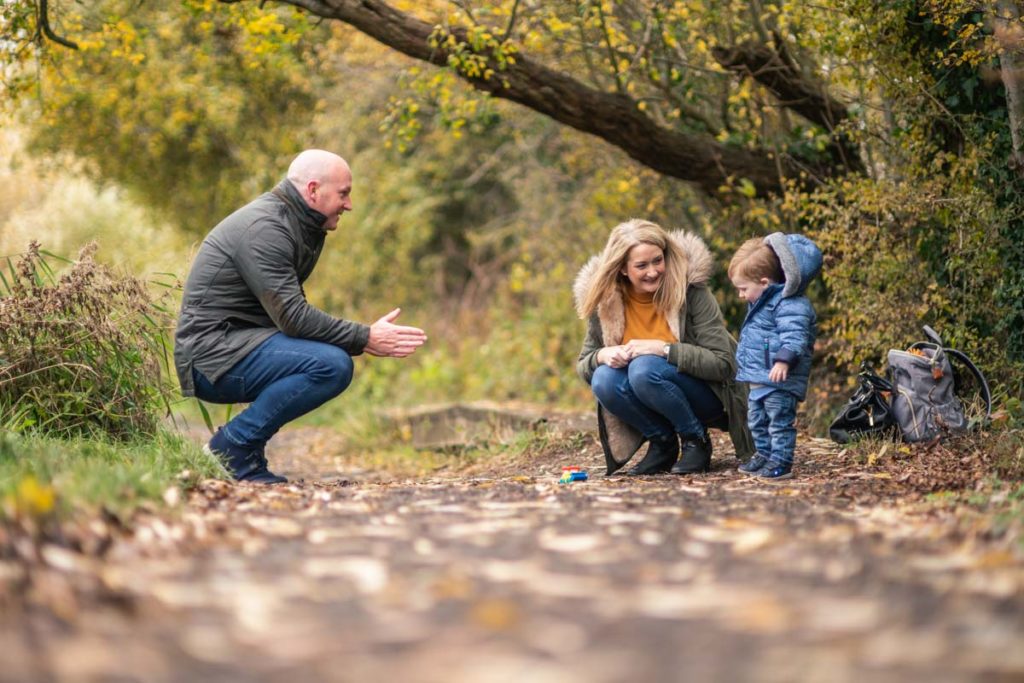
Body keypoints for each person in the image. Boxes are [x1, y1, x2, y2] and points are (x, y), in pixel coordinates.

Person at [174, 149, 427, 484]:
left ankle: (242, 455)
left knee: (329, 360)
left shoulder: (298, 223)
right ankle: (231, 447)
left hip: (235, 347)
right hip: (211, 360)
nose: (349, 204)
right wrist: (365, 337)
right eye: (344, 193)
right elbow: (293, 318)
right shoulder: (266, 229)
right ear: (312, 190)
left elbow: (289, 314)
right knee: (331, 365)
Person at [574, 219, 754, 476]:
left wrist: (663, 349)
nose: (653, 271)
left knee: (644, 368)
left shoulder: (691, 291)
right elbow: (584, 365)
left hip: (708, 395)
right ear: (623, 269)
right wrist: (603, 354)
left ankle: (696, 440)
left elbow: (723, 363)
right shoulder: (607, 300)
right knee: (603, 378)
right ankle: (662, 443)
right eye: (641, 265)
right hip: (650, 395)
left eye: (658, 260)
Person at [728, 233, 822, 480]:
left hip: (780, 380)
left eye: (743, 289)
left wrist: (783, 360)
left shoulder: (790, 304)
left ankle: (780, 461)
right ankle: (764, 454)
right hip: (760, 378)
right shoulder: (761, 303)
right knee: (757, 421)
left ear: (764, 282)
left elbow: (796, 336)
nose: (740, 295)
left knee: (778, 422)